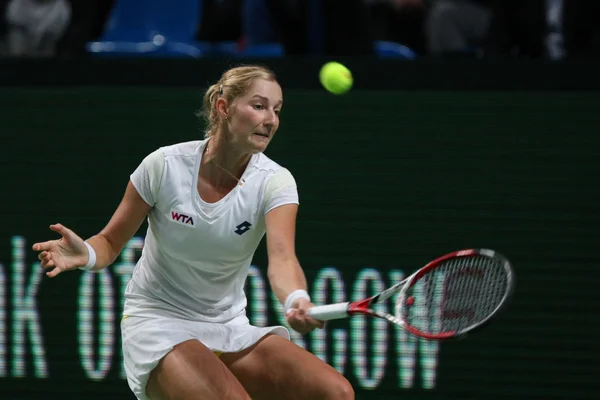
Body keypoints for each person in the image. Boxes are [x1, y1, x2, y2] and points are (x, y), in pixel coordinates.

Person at [32, 65, 354, 400]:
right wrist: (87, 252)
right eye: (259, 106)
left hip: (228, 327)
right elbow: (111, 242)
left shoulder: (275, 182)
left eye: (277, 110)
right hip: (158, 322)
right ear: (223, 107)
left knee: (335, 393)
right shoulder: (164, 166)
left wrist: (295, 298)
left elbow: (283, 258)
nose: (270, 119)